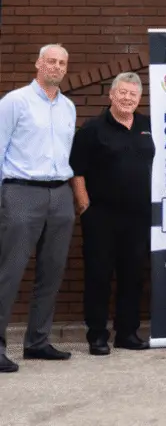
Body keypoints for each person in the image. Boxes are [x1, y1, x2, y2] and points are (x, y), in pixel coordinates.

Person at [0, 44, 77, 373]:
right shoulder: (15, 101)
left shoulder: (69, 107)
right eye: (51, 61)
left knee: (51, 272)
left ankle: (37, 342)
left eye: (62, 63)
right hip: (21, 192)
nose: (57, 67)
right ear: (38, 64)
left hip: (60, 194)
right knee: (9, 271)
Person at [69, 72, 154, 356]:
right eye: (123, 93)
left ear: (139, 98)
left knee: (132, 276)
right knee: (99, 275)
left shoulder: (146, 126)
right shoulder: (92, 129)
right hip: (101, 217)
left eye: (133, 94)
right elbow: (77, 171)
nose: (127, 98)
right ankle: (97, 335)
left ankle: (127, 333)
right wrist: (84, 206)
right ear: (111, 95)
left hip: (138, 216)